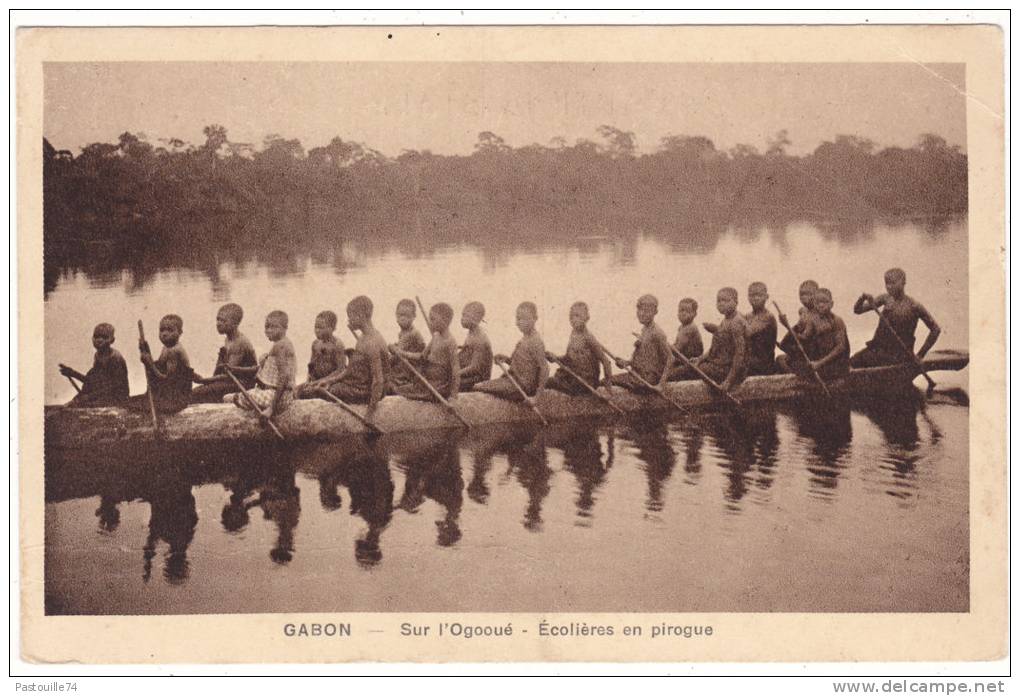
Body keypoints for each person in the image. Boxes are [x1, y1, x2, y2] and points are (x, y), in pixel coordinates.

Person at [303, 296, 389, 418]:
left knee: (323, 391)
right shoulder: (363, 338)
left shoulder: (372, 342)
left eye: (351, 316)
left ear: (362, 315)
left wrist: (370, 412)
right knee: (322, 386)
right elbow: (350, 371)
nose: (349, 321)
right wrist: (327, 380)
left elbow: (378, 380)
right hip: (357, 385)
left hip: (365, 392)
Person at [850, 267, 941, 367]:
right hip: (878, 349)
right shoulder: (885, 299)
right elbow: (858, 310)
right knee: (850, 363)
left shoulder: (913, 306)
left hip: (899, 355)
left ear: (903, 282)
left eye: (893, 283)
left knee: (854, 366)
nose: (889, 287)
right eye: (887, 283)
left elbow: (935, 329)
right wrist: (862, 299)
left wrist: (920, 355)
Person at [225, 310, 296, 419]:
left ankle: (236, 400)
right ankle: (237, 398)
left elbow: (284, 377)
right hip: (279, 394)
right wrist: (234, 368)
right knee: (233, 396)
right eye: (267, 327)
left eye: (274, 327)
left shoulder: (280, 346)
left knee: (230, 398)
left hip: (279, 398)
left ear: (284, 328)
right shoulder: (281, 344)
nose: (269, 330)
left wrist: (271, 409)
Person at [473, 302, 548, 401]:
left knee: (478, 386)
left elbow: (545, 368)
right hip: (513, 381)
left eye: (524, 319)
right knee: (479, 385)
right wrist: (506, 359)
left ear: (535, 318)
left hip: (521, 386)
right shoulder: (525, 338)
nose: (519, 322)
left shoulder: (535, 341)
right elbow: (523, 364)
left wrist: (537, 397)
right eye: (518, 318)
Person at [678, 287, 747, 391]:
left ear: (736, 302)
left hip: (726, 370)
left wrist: (728, 381)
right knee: (691, 366)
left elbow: (740, 354)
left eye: (726, 300)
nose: (721, 304)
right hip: (718, 365)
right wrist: (700, 359)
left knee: (686, 370)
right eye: (719, 301)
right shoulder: (726, 320)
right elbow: (714, 348)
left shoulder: (736, 322)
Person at [190, 303, 258, 403]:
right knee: (198, 391)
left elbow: (229, 375)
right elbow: (222, 370)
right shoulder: (228, 339)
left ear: (235, 323)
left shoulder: (239, 342)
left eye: (223, 321)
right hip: (232, 380)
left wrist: (204, 380)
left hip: (242, 383)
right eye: (218, 319)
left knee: (196, 393)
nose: (218, 323)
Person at [393, 302, 460, 401]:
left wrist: (453, 396)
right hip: (427, 383)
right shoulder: (436, 337)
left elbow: (455, 370)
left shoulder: (450, 342)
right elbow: (422, 356)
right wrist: (402, 353)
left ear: (445, 321)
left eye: (432, 319)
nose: (429, 322)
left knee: (396, 390)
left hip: (437, 388)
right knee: (398, 389)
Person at [544, 301, 613, 394]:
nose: (573, 319)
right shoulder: (574, 335)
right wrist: (555, 358)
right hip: (574, 377)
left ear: (586, 318)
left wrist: (608, 386)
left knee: (549, 382)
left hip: (585, 382)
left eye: (577, 316)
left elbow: (606, 362)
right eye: (571, 317)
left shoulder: (588, 337)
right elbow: (569, 359)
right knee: (549, 380)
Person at [130, 314, 193, 414]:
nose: (164, 334)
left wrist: (149, 364)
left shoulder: (174, 350)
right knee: (132, 402)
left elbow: (166, 378)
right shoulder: (166, 348)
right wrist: (145, 349)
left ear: (180, 332)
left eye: (170, 330)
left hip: (176, 396)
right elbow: (160, 366)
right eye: (162, 330)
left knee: (136, 404)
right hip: (168, 391)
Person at [611, 294, 672, 392]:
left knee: (606, 381)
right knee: (608, 380)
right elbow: (645, 358)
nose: (642, 313)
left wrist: (661, 385)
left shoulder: (657, 332)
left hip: (646, 380)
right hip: (639, 375)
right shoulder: (645, 330)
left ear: (655, 312)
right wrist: (626, 363)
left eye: (647, 311)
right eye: (640, 310)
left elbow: (670, 358)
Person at [59, 322, 129, 407]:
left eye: (104, 337)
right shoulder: (98, 356)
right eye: (96, 337)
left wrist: (88, 397)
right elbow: (91, 381)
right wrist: (72, 373)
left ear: (112, 340)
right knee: (91, 373)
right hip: (102, 394)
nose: (99, 340)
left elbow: (114, 386)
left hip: (116, 398)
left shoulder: (115, 358)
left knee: (82, 402)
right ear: (92, 338)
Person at [295, 310, 346, 398]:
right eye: (316, 327)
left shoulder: (337, 344)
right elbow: (311, 366)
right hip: (316, 380)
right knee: (297, 390)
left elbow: (340, 369)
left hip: (330, 381)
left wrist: (324, 381)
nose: (317, 330)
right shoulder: (315, 344)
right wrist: (308, 380)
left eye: (321, 328)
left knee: (317, 392)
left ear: (332, 328)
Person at [777, 279, 820, 365]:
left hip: (814, 355)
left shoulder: (817, 314)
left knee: (781, 361)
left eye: (808, 294)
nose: (804, 297)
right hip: (803, 349)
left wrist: (786, 325)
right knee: (780, 359)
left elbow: (805, 339)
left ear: (817, 294)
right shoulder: (804, 312)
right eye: (801, 294)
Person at [389, 299, 426, 389]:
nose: (403, 318)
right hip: (401, 368)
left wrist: (402, 353)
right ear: (396, 315)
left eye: (407, 316)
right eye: (400, 315)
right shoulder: (402, 333)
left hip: (409, 373)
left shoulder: (415, 333)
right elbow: (401, 349)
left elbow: (423, 356)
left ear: (414, 316)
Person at [744, 282, 778, 376]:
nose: (755, 298)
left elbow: (748, 332)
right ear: (748, 297)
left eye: (759, 295)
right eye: (752, 295)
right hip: (750, 359)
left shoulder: (768, 317)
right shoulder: (747, 316)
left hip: (763, 364)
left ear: (766, 296)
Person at [458, 301, 493, 390]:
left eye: (465, 316)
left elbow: (475, 368)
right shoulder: (471, 333)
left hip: (477, 379)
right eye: (462, 315)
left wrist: (455, 373)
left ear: (476, 318)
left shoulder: (480, 338)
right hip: (469, 375)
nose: (462, 319)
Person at [666, 297, 703, 381]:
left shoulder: (690, 328)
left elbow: (677, 349)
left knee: (666, 374)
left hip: (690, 364)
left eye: (687, 311)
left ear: (694, 314)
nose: (683, 314)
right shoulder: (682, 327)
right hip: (682, 361)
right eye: (681, 311)